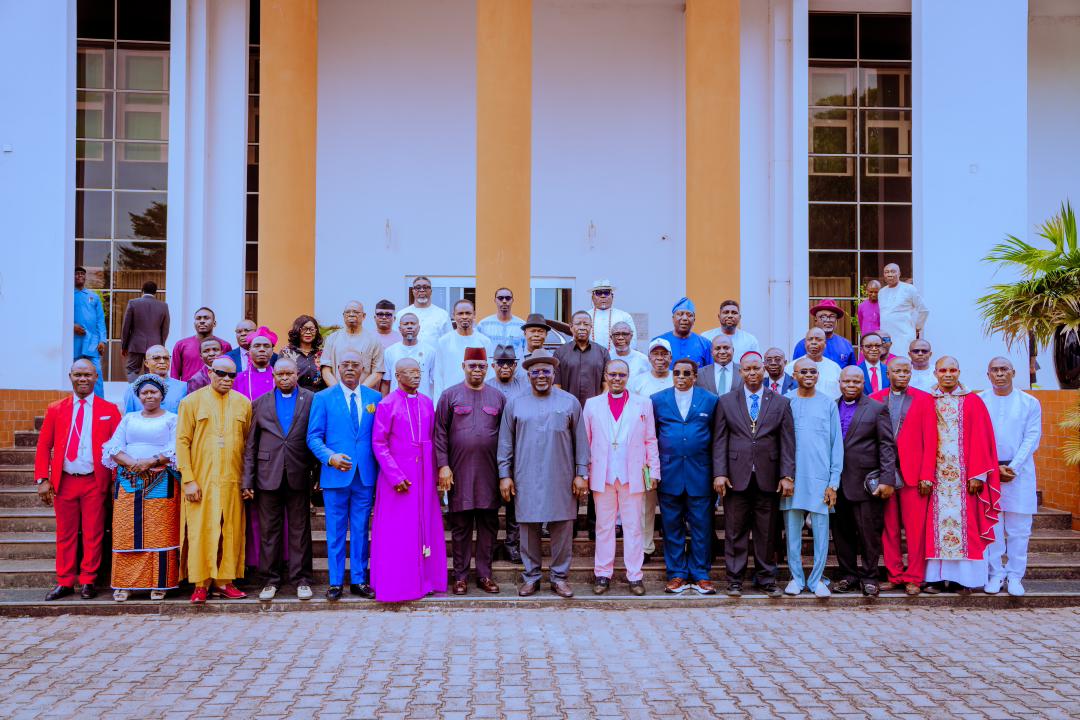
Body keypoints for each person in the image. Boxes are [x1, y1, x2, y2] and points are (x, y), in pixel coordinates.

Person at [498, 349, 590, 598]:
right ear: (528, 375)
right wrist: (504, 474)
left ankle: (559, 578)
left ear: (553, 373)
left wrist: (581, 473)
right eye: (535, 371)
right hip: (525, 475)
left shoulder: (569, 402)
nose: (541, 376)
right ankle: (532, 577)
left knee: (562, 528)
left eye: (546, 371)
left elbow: (581, 441)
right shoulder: (515, 403)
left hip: (561, 475)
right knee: (527, 528)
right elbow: (505, 442)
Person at [35, 359, 122, 600]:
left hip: (95, 480)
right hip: (64, 481)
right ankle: (64, 581)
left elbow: (117, 448)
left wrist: (115, 481)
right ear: (70, 376)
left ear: (96, 378)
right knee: (65, 533)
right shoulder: (56, 409)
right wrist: (42, 478)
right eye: (78, 375)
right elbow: (44, 445)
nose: (83, 379)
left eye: (88, 375)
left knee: (93, 532)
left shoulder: (109, 410)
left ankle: (88, 580)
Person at [712, 351, 795, 598]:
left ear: (764, 371)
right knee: (734, 530)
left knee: (767, 531)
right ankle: (735, 579)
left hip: (768, 477)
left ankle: (766, 578)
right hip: (736, 477)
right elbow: (719, 440)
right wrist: (719, 473)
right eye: (747, 369)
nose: (752, 373)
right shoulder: (726, 401)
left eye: (756, 368)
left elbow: (787, 442)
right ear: (740, 372)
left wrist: (787, 475)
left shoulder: (780, 402)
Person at [370, 358, 448, 602]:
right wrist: (395, 475)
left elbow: (433, 439)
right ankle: (399, 584)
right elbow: (379, 443)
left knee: (425, 526)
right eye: (410, 372)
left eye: (418, 372)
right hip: (398, 478)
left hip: (424, 476)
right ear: (398, 375)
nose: (416, 376)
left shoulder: (426, 403)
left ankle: (427, 581)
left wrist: (436, 471)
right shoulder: (387, 404)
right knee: (400, 532)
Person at [175, 356, 252, 604]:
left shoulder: (243, 404)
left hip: (232, 479)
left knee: (229, 529)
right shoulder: (190, 402)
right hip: (201, 480)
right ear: (209, 372)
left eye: (232, 375)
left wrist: (247, 481)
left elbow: (248, 443)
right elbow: (182, 441)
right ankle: (200, 583)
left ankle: (224, 581)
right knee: (201, 530)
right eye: (221, 373)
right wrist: (188, 479)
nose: (227, 379)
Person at [306, 350, 380, 600]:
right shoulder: (324, 398)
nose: (350, 368)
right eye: (345, 364)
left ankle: (359, 579)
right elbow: (313, 436)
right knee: (335, 529)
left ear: (363, 370)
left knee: (361, 529)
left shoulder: (375, 398)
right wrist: (330, 457)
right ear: (338, 368)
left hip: (365, 475)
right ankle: (335, 581)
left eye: (355, 365)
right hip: (336, 474)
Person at [583, 359, 660, 596]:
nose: (617, 379)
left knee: (633, 527)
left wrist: (654, 470)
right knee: (604, 527)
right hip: (602, 473)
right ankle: (603, 574)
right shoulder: (592, 404)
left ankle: (635, 575)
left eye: (622, 375)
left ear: (628, 377)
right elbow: (585, 441)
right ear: (605, 375)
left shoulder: (643, 404)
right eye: (613, 374)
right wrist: (583, 473)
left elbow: (650, 439)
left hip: (632, 474)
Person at [924, 357, 1001, 591]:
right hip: (935, 478)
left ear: (959, 372)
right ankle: (936, 579)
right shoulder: (927, 400)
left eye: (953, 369)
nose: (948, 374)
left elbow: (982, 438)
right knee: (934, 526)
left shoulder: (973, 402)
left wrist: (978, 475)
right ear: (935, 373)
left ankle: (965, 579)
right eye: (943, 370)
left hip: (964, 478)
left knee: (968, 526)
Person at [241, 357, 315, 601]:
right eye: (280, 374)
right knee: (269, 531)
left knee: (299, 530)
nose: (285, 378)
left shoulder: (310, 400)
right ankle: (270, 580)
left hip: (299, 473)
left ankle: (302, 579)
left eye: (289, 374)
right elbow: (250, 446)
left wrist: (317, 474)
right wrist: (247, 481)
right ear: (273, 376)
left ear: (297, 375)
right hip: (267, 476)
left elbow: (316, 437)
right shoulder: (260, 404)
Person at [101, 374, 179, 601]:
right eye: (144, 392)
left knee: (160, 531)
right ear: (138, 395)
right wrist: (131, 462)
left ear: (162, 395)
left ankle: (160, 582)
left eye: (153, 392)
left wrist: (151, 461)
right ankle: (124, 584)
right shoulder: (129, 418)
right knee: (126, 531)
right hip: (129, 480)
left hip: (161, 479)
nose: (149, 396)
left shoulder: (172, 419)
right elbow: (113, 446)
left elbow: (175, 447)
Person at [435, 348, 506, 595]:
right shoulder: (449, 395)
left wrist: (505, 474)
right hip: (459, 472)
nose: (477, 370)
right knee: (461, 526)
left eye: (481, 366)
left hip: (490, 473)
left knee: (488, 525)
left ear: (487, 368)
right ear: (463, 366)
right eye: (472, 365)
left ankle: (485, 576)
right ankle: (461, 577)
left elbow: (506, 437)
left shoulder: (498, 397)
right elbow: (440, 433)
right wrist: (443, 466)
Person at [871, 356, 937, 595]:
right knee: (888, 527)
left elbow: (931, 440)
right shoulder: (875, 399)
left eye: (906, 372)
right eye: (897, 371)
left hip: (914, 475)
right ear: (888, 373)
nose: (902, 375)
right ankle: (894, 574)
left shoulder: (924, 399)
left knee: (915, 529)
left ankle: (914, 577)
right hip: (886, 474)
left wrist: (927, 474)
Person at [652, 359, 718, 594]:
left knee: (702, 526)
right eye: (677, 372)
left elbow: (717, 438)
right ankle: (677, 573)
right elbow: (651, 437)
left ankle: (700, 573)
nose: (681, 376)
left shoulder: (709, 400)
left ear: (695, 375)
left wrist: (717, 473)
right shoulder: (658, 400)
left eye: (686, 373)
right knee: (672, 527)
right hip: (669, 474)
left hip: (700, 473)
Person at [831, 366, 898, 596]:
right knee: (842, 534)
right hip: (837, 483)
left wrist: (887, 478)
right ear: (840, 382)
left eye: (856, 382)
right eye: (847, 382)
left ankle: (870, 577)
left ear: (863, 384)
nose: (851, 386)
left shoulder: (877, 409)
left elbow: (887, 446)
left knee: (869, 533)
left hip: (865, 482)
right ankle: (848, 575)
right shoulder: (831, 406)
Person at [782, 358, 843, 597]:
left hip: (820, 479)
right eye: (803, 371)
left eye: (813, 371)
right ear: (794, 375)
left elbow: (835, 444)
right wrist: (783, 476)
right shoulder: (786, 402)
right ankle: (796, 578)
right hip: (793, 478)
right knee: (793, 532)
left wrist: (833, 482)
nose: (808, 374)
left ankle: (817, 579)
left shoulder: (828, 404)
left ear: (818, 375)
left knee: (820, 532)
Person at [981, 357, 1042, 597]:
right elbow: (978, 437)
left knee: (1019, 529)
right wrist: (993, 468)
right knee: (993, 527)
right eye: (994, 370)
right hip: (989, 472)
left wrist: (1013, 467)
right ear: (988, 375)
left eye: (1003, 369)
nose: (999, 374)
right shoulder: (980, 401)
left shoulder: (1030, 402)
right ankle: (995, 574)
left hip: (1020, 472)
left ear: (1013, 372)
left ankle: (1016, 575)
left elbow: (1032, 437)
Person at [554, 310, 609, 539]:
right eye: (578, 323)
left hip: (596, 420)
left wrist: (601, 410)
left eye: (587, 323)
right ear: (571, 327)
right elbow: (555, 386)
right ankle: (571, 523)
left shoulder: (602, 352)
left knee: (596, 470)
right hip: (568, 419)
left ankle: (596, 524)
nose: (583, 327)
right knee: (569, 470)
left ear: (591, 327)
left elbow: (607, 383)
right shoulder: (560, 352)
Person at [485, 344, 526, 562]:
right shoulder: (486, 386)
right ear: (493, 365)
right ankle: (490, 545)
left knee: (514, 500)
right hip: (491, 449)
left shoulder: (524, 387)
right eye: (501, 363)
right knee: (491, 500)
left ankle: (512, 544)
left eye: (509, 363)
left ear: (515, 365)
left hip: (517, 449)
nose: (505, 367)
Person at [433, 299, 494, 399]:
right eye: (460, 313)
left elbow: (489, 374)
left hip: (478, 397)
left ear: (474, 315)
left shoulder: (484, 341)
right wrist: (438, 404)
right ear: (454, 315)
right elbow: (439, 375)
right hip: (451, 398)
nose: (464, 317)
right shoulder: (444, 341)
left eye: (468, 313)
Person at [321, 301, 384, 390]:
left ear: (364, 316)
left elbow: (377, 372)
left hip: (364, 395)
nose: (351, 314)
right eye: (348, 312)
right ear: (343, 315)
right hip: (337, 394)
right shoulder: (332, 338)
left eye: (356, 312)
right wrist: (338, 391)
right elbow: (326, 370)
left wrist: (359, 391)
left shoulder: (373, 340)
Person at [120, 281, 170, 382]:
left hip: (135, 345)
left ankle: (135, 392)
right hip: (155, 345)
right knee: (152, 371)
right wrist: (161, 346)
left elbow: (126, 327)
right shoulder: (163, 306)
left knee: (132, 370)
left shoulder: (133, 303)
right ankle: (150, 393)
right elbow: (165, 329)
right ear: (155, 292)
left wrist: (124, 346)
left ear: (142, 290)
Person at [878, 263, 929, 361]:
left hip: (903, 336)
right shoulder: (881, 292)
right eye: (886, 272)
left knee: (903, 364)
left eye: (893, 271)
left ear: (899, 273)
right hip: (886, 338)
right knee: (887, 365)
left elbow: (924, 310)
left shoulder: (909, 289)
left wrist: (917, 327)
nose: (889, 274)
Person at [120, 345, 188, 414]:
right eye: (156, 358)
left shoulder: (183, 387)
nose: (162, 361)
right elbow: (128, 419)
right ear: (146, 363)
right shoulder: (133, 389)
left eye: (166, 358)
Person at [382, 312, 436, 398]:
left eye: (413, 323)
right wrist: (385, 404)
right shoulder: (390, 352)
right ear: (400, 329)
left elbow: (435, 381)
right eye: (406, 324)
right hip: (397, 404)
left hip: (421, 403)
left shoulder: (430, 351)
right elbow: (386, 382)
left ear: (418, 328)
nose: (409, 326)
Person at [171, 307, 232, 382]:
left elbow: (229, 371)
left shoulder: (225, 346)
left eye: (206, 318)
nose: (202, 321)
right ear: (194, 323)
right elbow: (174, 375)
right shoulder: (181, 345)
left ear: (214, 323)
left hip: (216, 390)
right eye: (198, 318)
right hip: (189, 391)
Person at [73, 266, 107, 397]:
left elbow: (100, 320)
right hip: (74, 343)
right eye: (77, 274)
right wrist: (71, 326)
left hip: (92, 343)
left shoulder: (94, 297)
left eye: (82, 273)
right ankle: (77, 402)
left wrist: (102, 340)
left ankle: (100, 402)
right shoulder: (67, 296)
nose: (80, 276)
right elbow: (60, 316)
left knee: (96, 372)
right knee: (74, 374)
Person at [792, 299, 856, 368]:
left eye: (832, 316)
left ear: (836, 320)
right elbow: (796, 371)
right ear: (816, 320)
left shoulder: (846, 344)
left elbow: (852, 371)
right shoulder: (803, 345)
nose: (828, 320)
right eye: (823, 317)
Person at [786, 328, 842, 400]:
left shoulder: (835, 368)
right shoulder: (792, 367)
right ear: (805, 343)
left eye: (818, 339)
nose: (814, 342)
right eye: (810, 339)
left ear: (825, 344)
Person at [656, 297, 711, 369]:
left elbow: (710, 372)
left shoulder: (705, 344)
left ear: (694, 320)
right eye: (680, 314)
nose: (685, 318)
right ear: (673, 318)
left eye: (689, 315)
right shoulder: (659, 342)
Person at [396, 276, 452, 344]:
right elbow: (396, 339)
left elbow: (449, 341)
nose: (422, 290)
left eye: (425, 287)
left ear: (431, 291)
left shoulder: (443, 314)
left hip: (436, 354)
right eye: (418, 287)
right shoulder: (401, 314)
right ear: (413, 291)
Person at [279, 314, 326, 393]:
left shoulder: (322, 353)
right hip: (295, 397)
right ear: (297, 330)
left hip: (318, 398)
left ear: (316, 331)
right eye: (304, 329)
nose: (308, 332)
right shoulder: (286, 353)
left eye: (311, 329)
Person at [587, 279, 636, 351]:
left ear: (612, 296)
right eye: (598, 293)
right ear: (592, 297)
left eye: (606, 293)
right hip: (591, 359)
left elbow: (633, 341)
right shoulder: (585, 316)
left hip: (618, 358)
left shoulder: (624, 316)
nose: (603, 296)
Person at [477, 287, 526, 358]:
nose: (504, 301)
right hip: (491, 367)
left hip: (515, 367)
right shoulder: (483, 325)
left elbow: (525, 350)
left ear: (512, 300)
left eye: (508, 298)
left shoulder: (522, 326)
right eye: (500, 298)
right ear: (495, 300)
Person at [235, 327, 277, 402]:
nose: (262, 349)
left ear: (272, 352)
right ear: (249, 351)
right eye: (257, 346)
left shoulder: (279, 377)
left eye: (266, 346)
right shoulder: (238, 379)